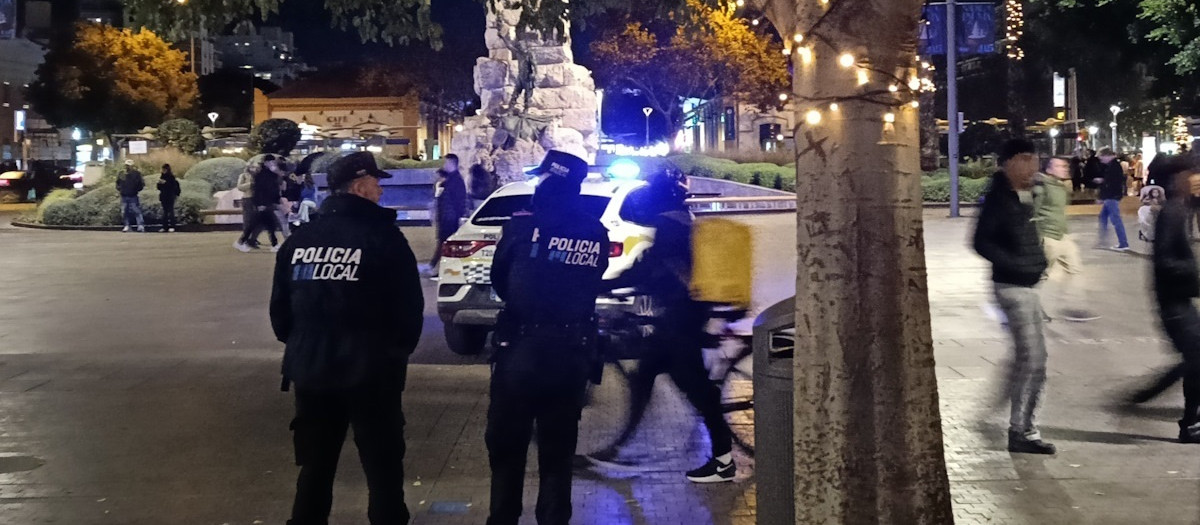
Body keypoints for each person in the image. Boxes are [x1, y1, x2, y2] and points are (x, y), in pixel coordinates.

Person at [270, 151, 424, 524]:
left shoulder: (300, 240)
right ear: (359, 186)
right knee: (384, 473)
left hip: (312, 372)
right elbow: (409, 314)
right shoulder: (384, 239)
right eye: (376, 182)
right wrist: (390, 356)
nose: (381, 190)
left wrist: (309, 347)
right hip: (371, 375)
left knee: (315, 471)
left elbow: (280, 316)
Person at [586, 168, 738, 482]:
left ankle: (723, 460)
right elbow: (651, 268)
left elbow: (650, 270)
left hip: (681, 320)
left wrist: (602, 286)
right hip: (681, 315)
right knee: (644, 377)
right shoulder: (680, 220)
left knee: (696, 389)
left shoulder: (670, 226)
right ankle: (619, 449)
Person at [485, 150, 609, 525]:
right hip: (571, 355)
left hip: (521, 351)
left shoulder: (522, 225)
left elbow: (500, 281)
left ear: (548, 180)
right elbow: (593, 279)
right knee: (557, 454)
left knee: (507, 449)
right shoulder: (595, 231)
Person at [973, 139, 1055, 455]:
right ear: (1008, 163)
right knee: (1032, 358)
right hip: (1011, 288)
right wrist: (1017, 264)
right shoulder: (997, 199)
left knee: (1034, 359)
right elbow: (981, 243)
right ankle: (1021, 431)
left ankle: (1022, 425)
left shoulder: (1028, 194)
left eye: (1035, 159)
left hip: (1030, 286)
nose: (1032, 165)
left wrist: (1037, 264)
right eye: (1025, 159)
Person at [1146, 156, 1200, 442]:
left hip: (1181, 300)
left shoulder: (1182, 208)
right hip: (1174, 304)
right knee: (1195, 361)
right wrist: (1193, 271)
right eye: (1191, 174)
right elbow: (1163, 259)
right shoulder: (1171, 213)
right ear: (1178, 179)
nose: (1195, 178)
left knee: (1194, 360)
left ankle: (1191, 421)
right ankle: (1190, 424)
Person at [1032, 156, 1099, 322]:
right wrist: (1037, 238)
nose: (1065, 168)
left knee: (1076, 269)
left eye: (1065, 166)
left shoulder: (1061, 187)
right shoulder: (1042, 188)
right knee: (1041, 276)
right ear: (1049, 169)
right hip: (1048, 237)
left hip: (1063, 236)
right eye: (1060, 166)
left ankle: (1073, 307)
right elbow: (1033, 213)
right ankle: (1029, 308)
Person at [424, 154, 468, 278]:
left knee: (446, 244)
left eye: (447, 163)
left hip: (450, 218)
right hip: (445, 217)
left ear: (452, 163)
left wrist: (459, 217)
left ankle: (438, 267)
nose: (445, 165)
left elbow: (459, 201)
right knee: (444, 243)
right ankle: (435, 266)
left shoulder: (456, 181)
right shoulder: (448, 179)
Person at [1094, 147, 1131, 251]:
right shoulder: (1113, 165)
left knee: (1115, 219)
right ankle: (1104, 241)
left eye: (1101, 157)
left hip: (1111, 196)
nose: (1101, 160)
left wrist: (1103, 195)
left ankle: (1123, 243)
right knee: (1103, 217)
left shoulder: (1113, 166)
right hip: (1112, 196)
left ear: (1107, 156)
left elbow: (1111, 184)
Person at [251, 156, 285, 252]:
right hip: (265, 202)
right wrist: (260, 203)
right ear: (265, 163)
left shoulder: (272, 174)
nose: (272, 164)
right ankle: (274, 244)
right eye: (270, 162)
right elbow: (259, 190)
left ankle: (246, 240)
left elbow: (279, 184)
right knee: (271, 224)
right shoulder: (261, 174)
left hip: (269, 201)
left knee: (259, 223)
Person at [235, 156, 267, 251]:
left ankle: (253, 238)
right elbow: (240, 187)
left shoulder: (260, 175)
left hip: (258, 200)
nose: (254, 168)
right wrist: (250, 184)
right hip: (248, 199)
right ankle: (245, 240)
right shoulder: (244, 176)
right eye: (252, 166)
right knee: (248, 221)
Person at [116, 160, 145, 233]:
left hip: (133, 195)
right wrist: (120, 189)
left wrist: (136, 189)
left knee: (136, 211)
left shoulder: (136, 174)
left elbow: (141, 183)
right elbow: (117, 182)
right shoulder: (121, 174)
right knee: (124, 212)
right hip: (124, 195)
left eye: (128, 165)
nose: (127, 167)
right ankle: (127, 225)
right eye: (126, 165)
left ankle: (140, 226)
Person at [157, 164, 181, 233]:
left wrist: (166, 183)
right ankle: (165, 227)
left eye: (164, 169)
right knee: (164, 212)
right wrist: (160, 183)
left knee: (171, 211)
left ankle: (172, 226)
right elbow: (158, 187)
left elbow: (173, 187)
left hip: (170, 196)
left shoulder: (171, 177)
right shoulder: (161, 177)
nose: (163, 171)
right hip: (163, 196)